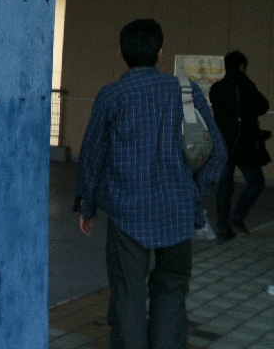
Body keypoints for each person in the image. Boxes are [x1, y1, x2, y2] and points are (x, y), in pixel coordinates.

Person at [75, 19, 226, 349]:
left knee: (128, 292)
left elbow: (92, 155)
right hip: (178, 210)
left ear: (121, 53)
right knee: (172, 287)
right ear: (160, 53)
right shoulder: (186, 92)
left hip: (128, 213)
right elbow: (218, 151)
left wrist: (87, 205)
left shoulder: (112, 95)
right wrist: (195, 194)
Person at [209, 50, 270, 242]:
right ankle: (237, 215)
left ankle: (223, 229)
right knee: (256, 182)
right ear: (242, 66)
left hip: (223, 143)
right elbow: (262, 105)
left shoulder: (216, 88)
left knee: (224, 187)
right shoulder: (244, 84)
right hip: (243, 144)